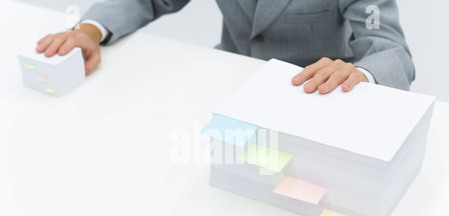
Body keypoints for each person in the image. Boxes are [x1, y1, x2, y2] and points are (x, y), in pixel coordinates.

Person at [36, 0, 414, 94]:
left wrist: (361, 74)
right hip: (228, 85)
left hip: (316, 93)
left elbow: (391, 48)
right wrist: (89, 30)